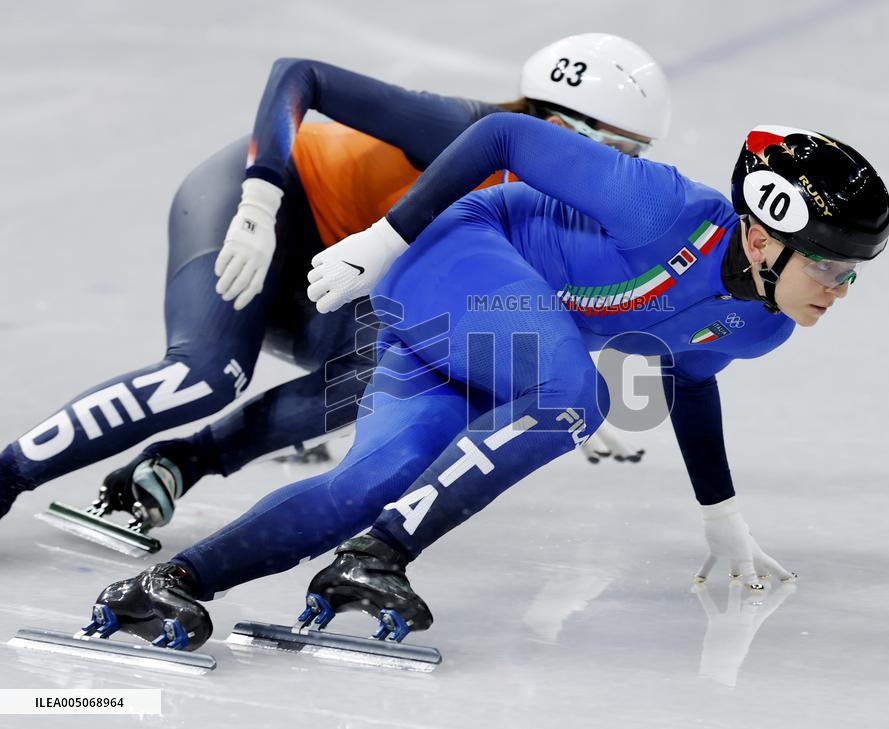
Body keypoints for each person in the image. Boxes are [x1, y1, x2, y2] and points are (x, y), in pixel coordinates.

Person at [86, 112, 889, 652]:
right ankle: (382, 554)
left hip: (483, 339)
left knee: (364, 485)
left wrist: (723, 518)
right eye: (828, 263)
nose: (839, 287)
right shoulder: (662, 207)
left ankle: (170, 581)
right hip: (454, 255)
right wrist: (384, 236)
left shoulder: (764, 323)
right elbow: (504, 135)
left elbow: (686, 378)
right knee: (578, 396)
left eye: (853, 273)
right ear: (759, 234)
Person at [0, 34, 668, 528]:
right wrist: (260, 202)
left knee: (390, 366)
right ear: (560, 126)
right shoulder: (461, 129)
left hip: (333, 273)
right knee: (206, 373)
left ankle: (183, 461)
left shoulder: (560, 201)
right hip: (266, 208)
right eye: (621, 152)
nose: (624, 172)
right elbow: (300, 73)